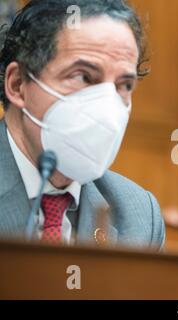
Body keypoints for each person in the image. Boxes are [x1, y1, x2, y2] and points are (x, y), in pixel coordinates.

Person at [0, 0, 165, 248]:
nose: (107, 105)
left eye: (124, 85)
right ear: (18, 84)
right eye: (84, 77)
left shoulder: (139, 216)